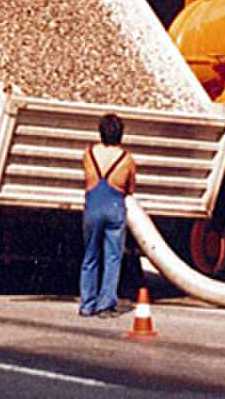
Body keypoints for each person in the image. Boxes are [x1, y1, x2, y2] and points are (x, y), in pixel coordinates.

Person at [79, 113, 136, 317]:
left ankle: (87, 304)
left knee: (90, 256)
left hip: (93, 205)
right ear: (121, 134)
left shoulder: (88, 153)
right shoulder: (127, 159)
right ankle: (105, 305)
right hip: (114, 207)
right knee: (113, 257)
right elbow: (130, 188)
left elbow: (84, 178)